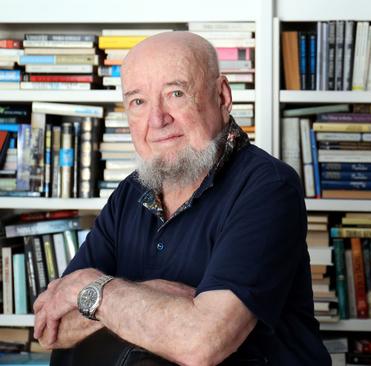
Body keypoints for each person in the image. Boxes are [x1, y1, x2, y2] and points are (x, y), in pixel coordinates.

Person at [32, 31, 331, 365]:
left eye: (176, 93)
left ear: (222, 95)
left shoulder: (267, 187)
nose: (158, 120)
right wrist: (157, 296)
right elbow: (53, 326)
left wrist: (90, 287)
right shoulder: (129, 194)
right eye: (138, 102)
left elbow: (201, 343)